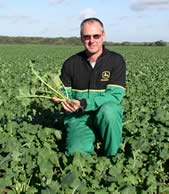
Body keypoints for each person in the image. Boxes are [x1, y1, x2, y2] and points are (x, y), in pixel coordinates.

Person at [52, 17, 126, 157]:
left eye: (96, 36)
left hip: (104, 113)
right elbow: (64, 92)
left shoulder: (116, 61)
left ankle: (112, 157)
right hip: (79, 117)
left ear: (103, 36)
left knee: (109, 111)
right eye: (87, 37)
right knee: (76, 154)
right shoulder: (70, 63)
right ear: (81, 38)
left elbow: (114, 95)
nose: (91, 41)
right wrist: (59, 98)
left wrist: (84, 103)